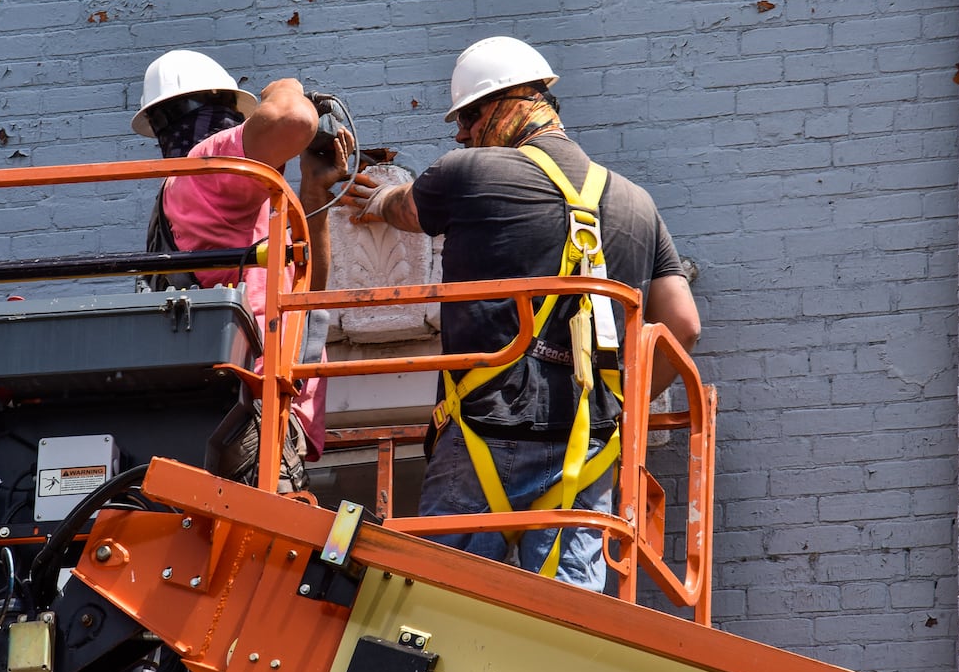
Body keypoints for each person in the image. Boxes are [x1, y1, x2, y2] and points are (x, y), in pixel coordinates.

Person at [345, 36, 700, 591]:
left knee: (442, 611)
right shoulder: (637, 203)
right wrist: (626, 410)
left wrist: (376, 200)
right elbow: (682, 325)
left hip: (486, 427)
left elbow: (407, 207)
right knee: (568, 632)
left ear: (502, 106)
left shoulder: (468, 171)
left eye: (467, 117)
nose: (461, 133)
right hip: (589, 447)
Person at [132, 49, 350, 490]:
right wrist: (285, 87)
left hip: (275, 408)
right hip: (255, 408)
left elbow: (306, 293)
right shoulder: (210, 165)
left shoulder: (237, 195)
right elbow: (290, 118)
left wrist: (312, 194)